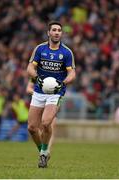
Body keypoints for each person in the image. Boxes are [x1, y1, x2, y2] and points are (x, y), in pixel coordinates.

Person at [27, 21, 76, 168]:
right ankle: (43, 151)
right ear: (48, 33)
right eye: (54, 30)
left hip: (56, 93)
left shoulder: (66, 52)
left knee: (46, 122)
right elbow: (30, 67)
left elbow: (72, 73)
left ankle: (43, 154)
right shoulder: (40, 49)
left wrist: (64, 83)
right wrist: (36, 78)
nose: (56, 32)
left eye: (59, 30)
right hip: (39, 91)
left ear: (61, 33)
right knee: (31, 128)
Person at [26, 79, 56, 157]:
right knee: (38, 129)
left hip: (51, 103)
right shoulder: (35, 76)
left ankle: (47, 150)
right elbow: (28, 88)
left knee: (49, 125)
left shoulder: (54, 75)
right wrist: (39, 93)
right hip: (38, 104)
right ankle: (43, 151)